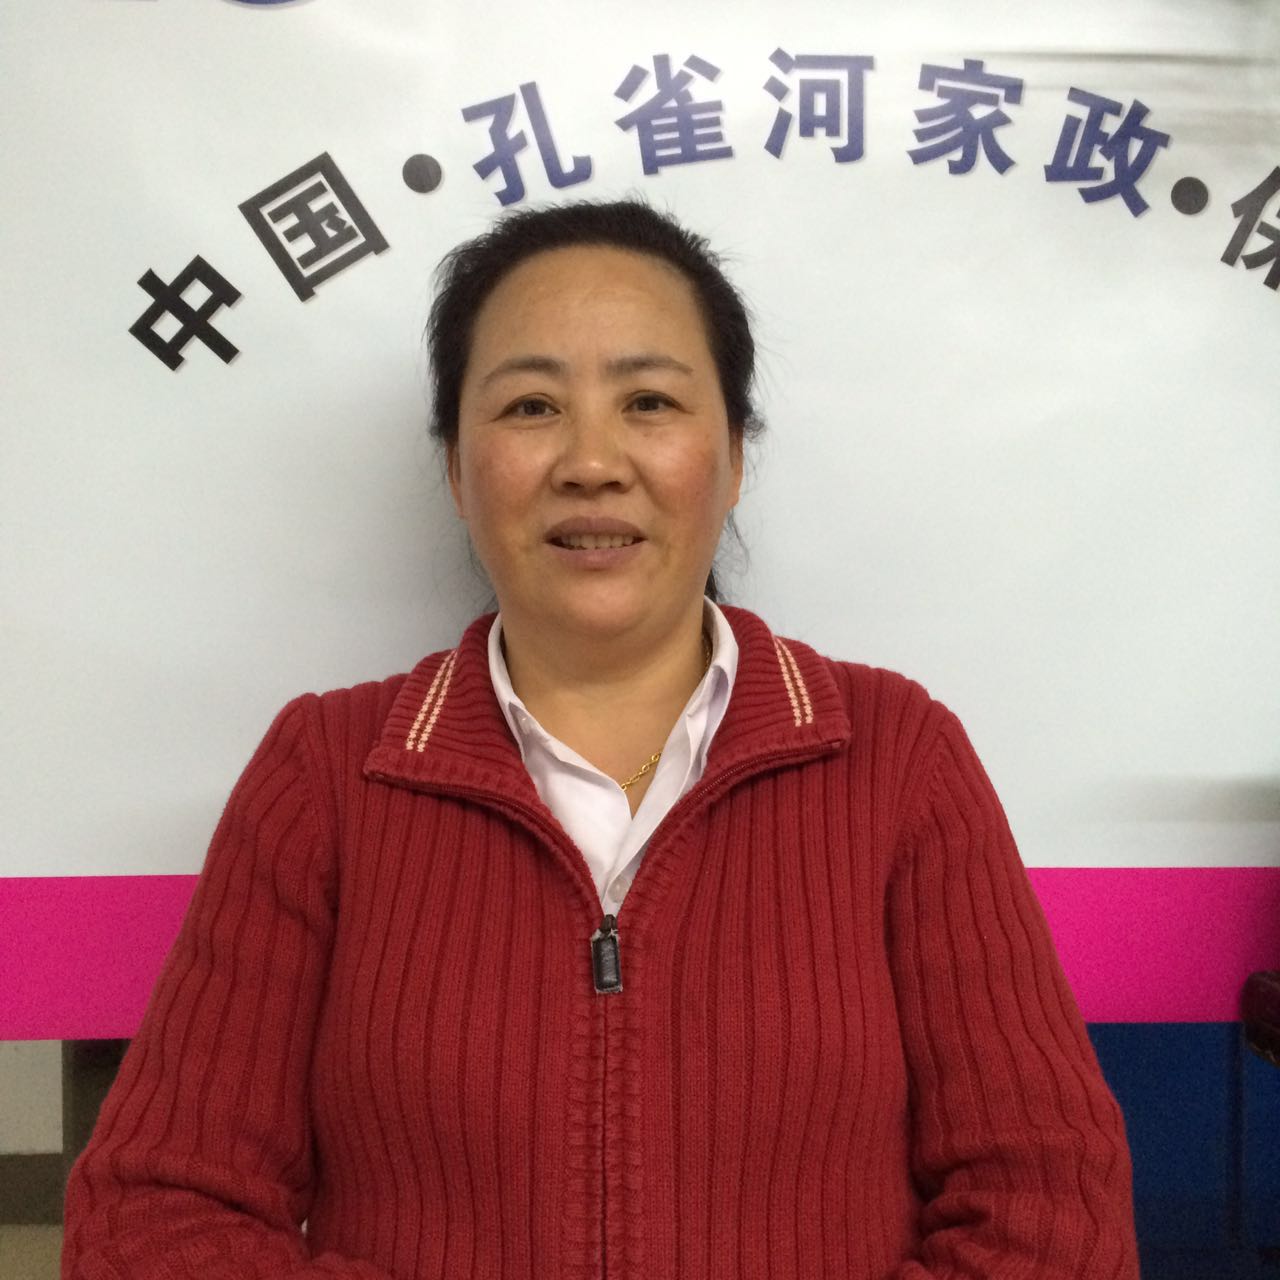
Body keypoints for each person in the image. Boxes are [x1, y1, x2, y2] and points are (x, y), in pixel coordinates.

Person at [63, 199, 1140, 1279]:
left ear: (734, 455)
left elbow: (1050, 1209)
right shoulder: (327, 770)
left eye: (649, 401)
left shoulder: (895, 756)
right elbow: (150, 1218)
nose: (590, 461)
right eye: (531, 405)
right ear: (456, 466)